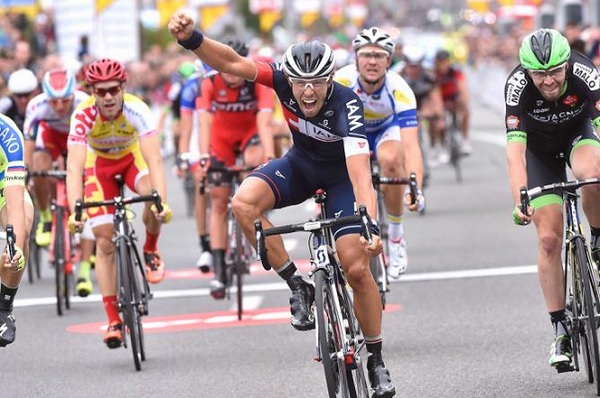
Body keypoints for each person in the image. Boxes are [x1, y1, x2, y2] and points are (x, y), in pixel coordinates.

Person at [168, 12, 396, 397]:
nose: (307, 92)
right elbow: (230, 62)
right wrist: (193, 39)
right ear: (289, 79)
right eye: (300, 84)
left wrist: (369, 224)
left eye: (317, 84)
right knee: (242, 204)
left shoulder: (348, 104)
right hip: (301, 165)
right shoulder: (278, 79)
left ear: (330, 80)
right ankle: (297, 285)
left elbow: (360, 171)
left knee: (357, 267)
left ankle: (376, 361)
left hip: (341, 177)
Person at [507, 28, 600, 369]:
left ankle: (599, 239)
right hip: (539, 152)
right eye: (539, 74)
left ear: (566, 64)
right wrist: (521, 197)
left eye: (555, 72)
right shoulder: (516, 87)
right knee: (548, 239)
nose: (547, 81)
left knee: (591, 174)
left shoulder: (585, 72)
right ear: (526, 70)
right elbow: (515, 151)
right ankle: (560, 327)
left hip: (579, 134)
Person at [66, 58, 173, 348]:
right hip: (97, 166)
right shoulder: (83, 115)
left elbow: (155, 160)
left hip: (131, 161)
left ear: (123, 86)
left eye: (113, 89)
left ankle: (150, 247)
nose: (109, 97)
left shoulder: (137, 109)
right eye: (101, 92)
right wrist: (75, 210)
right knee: (104, 242)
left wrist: (160, 203)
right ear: (92, 92)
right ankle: (113, 319)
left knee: (152, 197)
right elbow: (74, 167)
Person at [334, 27, 425, 278]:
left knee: (392, 160)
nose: (372, 61)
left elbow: (411, 146)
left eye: (379, 55)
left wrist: (415, 186)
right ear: (356, 59)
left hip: (386, 130)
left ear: (388, 61)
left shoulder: (400, 89)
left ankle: (395, 238)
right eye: (366, 55)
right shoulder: (341, 81)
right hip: (355, 132)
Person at [195, 38, 275, 299]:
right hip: (221, 142)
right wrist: (204, 155)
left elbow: (264, 122)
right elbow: (205, 121)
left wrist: (270, 155)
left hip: (249, 136)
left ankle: (253, 224)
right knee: (218, 202)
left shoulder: (257, 82)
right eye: (224, 67)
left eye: (234, 67)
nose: (230, 74)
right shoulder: (209, 84)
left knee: (255, 160)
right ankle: (219, 272)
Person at [23, 68, 88, 247]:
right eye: (53, 101)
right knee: (38, 167)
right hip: (51, 138)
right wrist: (27, 171)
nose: (59, 106)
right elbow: (29, 140)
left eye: (65, 100)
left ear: (73, 94)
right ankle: (45, 218)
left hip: (78, 138)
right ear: (46, 97)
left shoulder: (85, 102)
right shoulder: (37, 105)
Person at [175, 60, 213, 271]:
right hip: (197, 145)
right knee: (202, 188)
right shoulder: (190, 89)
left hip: (220, 140)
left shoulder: (224, 83)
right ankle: (205, 244)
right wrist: (183, 155)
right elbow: (186, 127)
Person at [0, 113, 34, 347]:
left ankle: (4, 306)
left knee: (26, 222)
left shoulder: (7, 132)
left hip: (2, 182)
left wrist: (17, 249)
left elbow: (15, 204)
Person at [399, 45, 445, 179]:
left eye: (417, 66)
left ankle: (429, 150)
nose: (414, 70)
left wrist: (440, 117)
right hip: (403, 104)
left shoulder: (429, 75)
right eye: (411, 66)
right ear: (405, 64)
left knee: (433, 120)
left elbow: (435, 98)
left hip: (423, 102)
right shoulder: (397, 75)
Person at [434, 49, 471, 157]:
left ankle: (465, 141)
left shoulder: (455, 72)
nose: (443, 65)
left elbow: (463, 88)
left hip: (454, 98)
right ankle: (442, 147)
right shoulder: (434, 74)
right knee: (438, 122)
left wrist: (464, 102)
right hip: (440, 99)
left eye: (445, 62)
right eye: (440, 62)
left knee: (466, 112)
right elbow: (433, 94)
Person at [0, 68, 40, 132]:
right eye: (19, 96)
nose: (23, 100)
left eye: (27, 95)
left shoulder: (42, 105)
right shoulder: (6, 104)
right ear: (13, 96)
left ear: (35, 92)